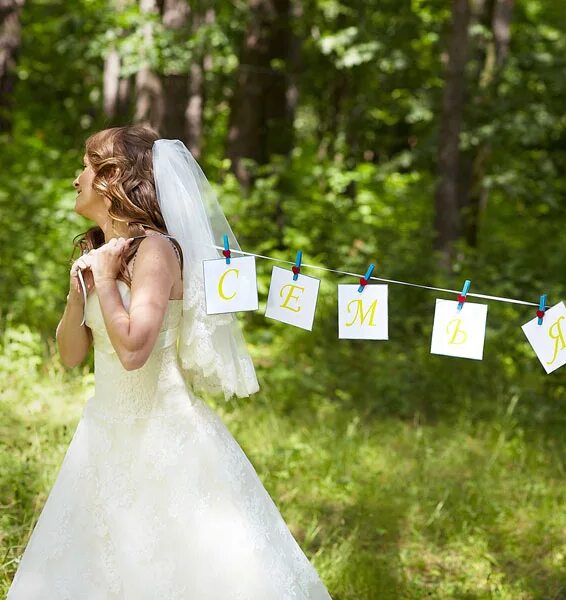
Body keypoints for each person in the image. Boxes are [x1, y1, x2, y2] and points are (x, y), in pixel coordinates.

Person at [9, 126, 331, 599]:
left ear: (111, 177)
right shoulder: (97, 249)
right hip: (103, 431)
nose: (76, 177)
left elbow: (136, 350)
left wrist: (102, 277)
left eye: (85, 165)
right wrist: (76, 299)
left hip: (163, 429)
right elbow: (72, 355)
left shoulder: (155, 250)